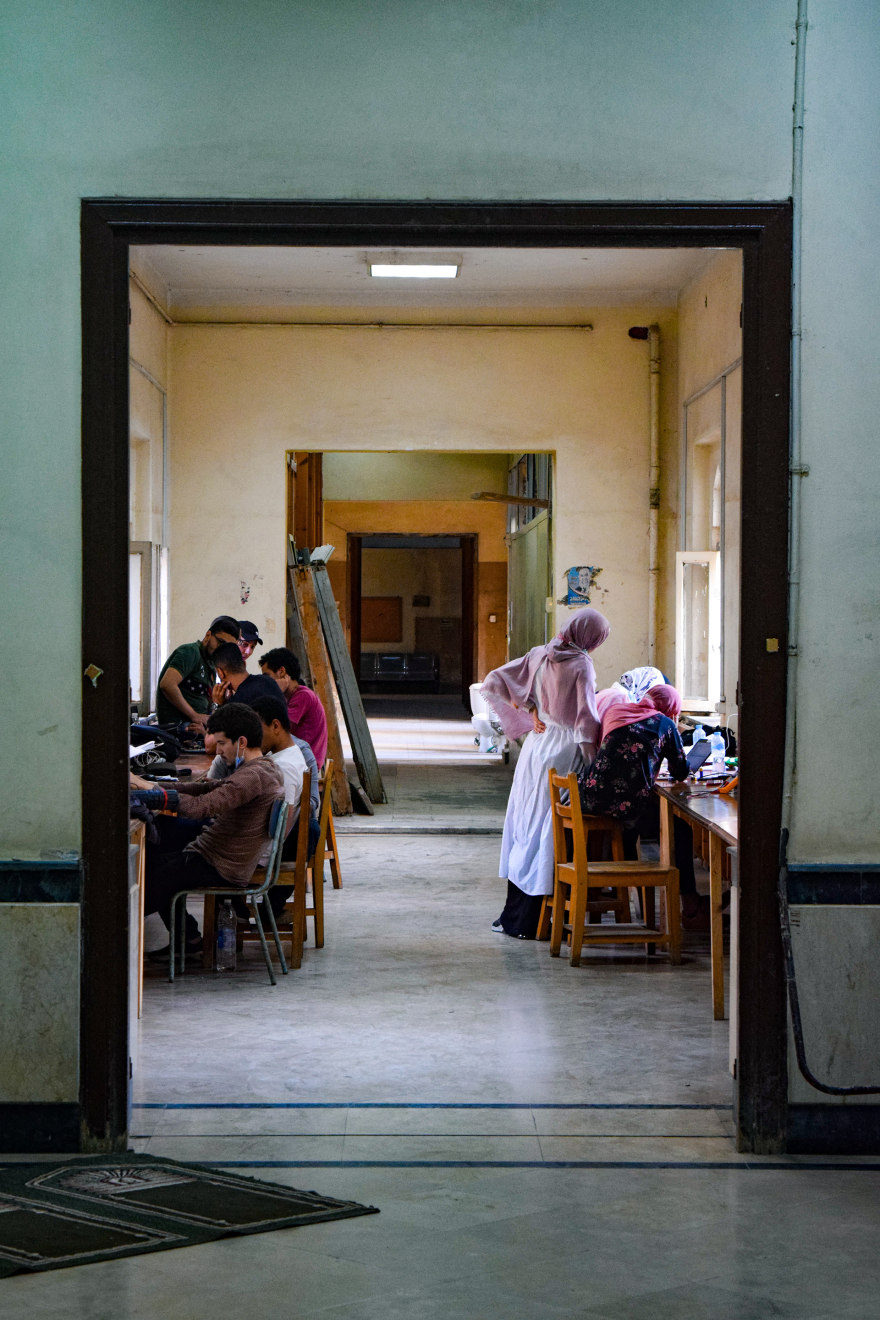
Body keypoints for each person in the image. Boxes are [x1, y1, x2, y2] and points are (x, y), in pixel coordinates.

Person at [481, 607, 611, 939]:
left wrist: (531, 711)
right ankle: (531, 919)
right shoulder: (581, 664)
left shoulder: (541, 654)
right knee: (548, 832)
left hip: (537, 748)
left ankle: (513, 915)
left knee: (526, 825)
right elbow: (585, 721)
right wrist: (596, 762)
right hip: (564, 751)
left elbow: (496, 681)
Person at [134, 703, 283, 955]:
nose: (219, 749)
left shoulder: (252, 777)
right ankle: (188, 938)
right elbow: (208, 789)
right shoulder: (263, 769)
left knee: (144, 883)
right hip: (212, 858)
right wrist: (152, 785)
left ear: (242, 742)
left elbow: (202, 806)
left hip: (219, 866)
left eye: (223, 743)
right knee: (154, 862)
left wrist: (154, 795)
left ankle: (113, 940)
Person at [578, 682, 702, 920]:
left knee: (630, 826)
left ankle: (628, 900)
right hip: (622, 807)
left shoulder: (617, 711)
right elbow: (680, 771)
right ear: (672, 709)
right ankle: (689, 901)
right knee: (682, 830)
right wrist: (672, 728)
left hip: (590, 798)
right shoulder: (664, 724)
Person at [155, 616, 241, 730]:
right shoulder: (190, 652)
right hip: (178, 729)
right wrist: (194, 716)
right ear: (208, 635)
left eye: (227, 647)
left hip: (196, 729)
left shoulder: (211, 664)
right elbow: (167, 684)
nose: (222, 650)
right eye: (220, 643)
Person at [259, 646, 328, 767]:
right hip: (297, 757)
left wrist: (277, 692)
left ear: (281, 672)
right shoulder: (292, 696)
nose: (265, 682)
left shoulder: (303, 696)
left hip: (306, 763)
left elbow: (280, 729)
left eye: (267, 676)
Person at [211, 642, 286, 707]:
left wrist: (218, 704)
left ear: (220, 672)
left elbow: (219, 723)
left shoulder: (237, 703)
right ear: (244, 664)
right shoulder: (269, 681)